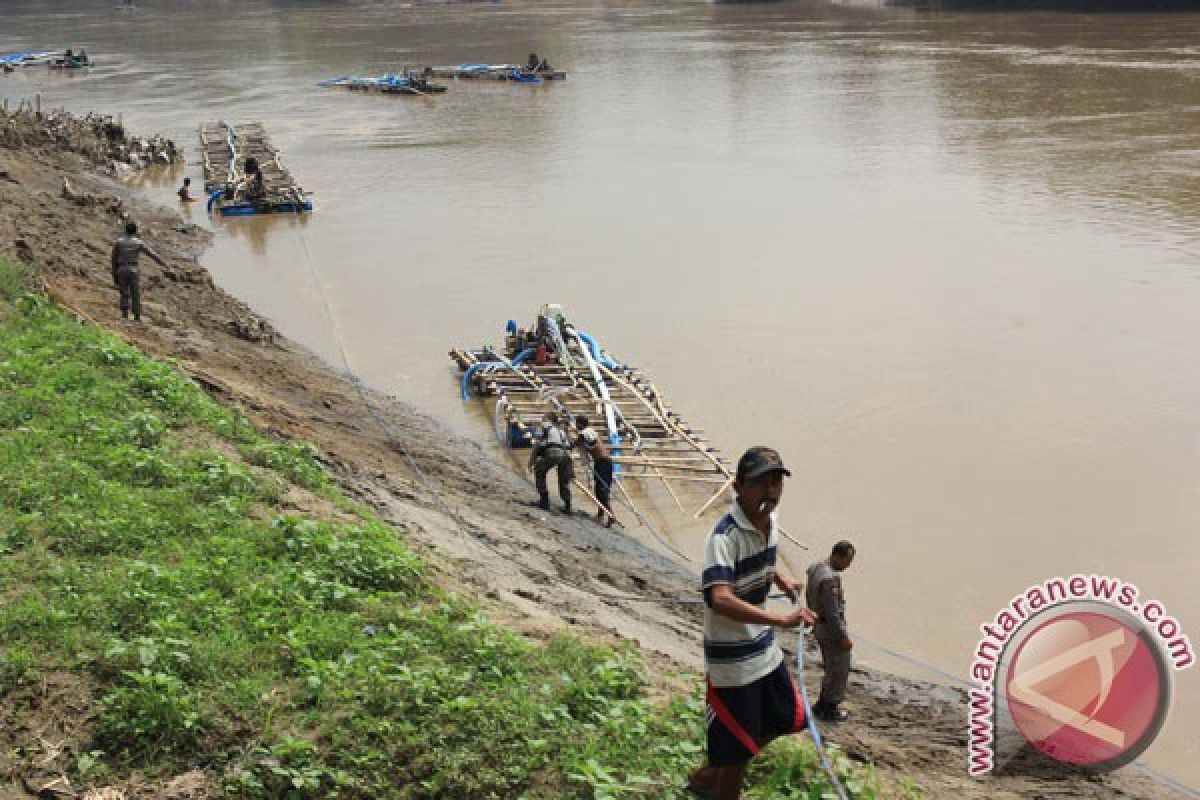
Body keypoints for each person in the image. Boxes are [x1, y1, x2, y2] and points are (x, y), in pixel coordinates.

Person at [688, 446, 816, 800]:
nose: (770, 491)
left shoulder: (770, 524)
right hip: (733, 659)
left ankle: (712, 771)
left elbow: (761, 559)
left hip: (762, 648)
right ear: (739, 485)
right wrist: (780, 619)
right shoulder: (723, 538)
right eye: (761, 483)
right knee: (739, 753)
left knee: (789, 716)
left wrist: (780, 580)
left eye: (776, 482)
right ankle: (718, 778)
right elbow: (721, 598)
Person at [805, 540, 856, 722]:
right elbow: (832, 612)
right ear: (837, 556)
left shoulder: (815, 567)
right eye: (847, 561)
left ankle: (821, 705)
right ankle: (830, 709)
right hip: (829, 629)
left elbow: (810, 595)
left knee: (830, 667)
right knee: (839, 669)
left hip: (819, 624)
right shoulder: (829, 579)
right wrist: (842, 637)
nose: (848, 566)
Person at [110, 221, 165, 322]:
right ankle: (136, 316)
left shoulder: (119, 242)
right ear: (135, 231)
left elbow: (113, 259)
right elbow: (152, 254)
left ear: (125, 230)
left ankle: (125, 314)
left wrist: (114, 273)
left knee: (124, 292)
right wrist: (163, 263)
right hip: (133, 269)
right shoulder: (138, 242)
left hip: (121, 269)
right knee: (135, 293)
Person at [574, 415, 617, 527]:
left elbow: (576, 443)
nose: (575, 426)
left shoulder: (584, 433)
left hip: (602, 462)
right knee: (601, 489)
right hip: (606, 461)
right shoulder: (591, 431)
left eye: (576, 424)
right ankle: (600, 514)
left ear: (580, 424)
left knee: (601, 490)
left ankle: (611, 515)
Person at [528, 412, 573, 512]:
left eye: (544, 417)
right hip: (566, 455)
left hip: (553, 452)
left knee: (539, 471)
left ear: (548, 419)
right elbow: (570, 445)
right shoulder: (562, 430)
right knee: (564, 480)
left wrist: (531, 462)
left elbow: (537, 444)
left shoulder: (545, 425)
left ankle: (544, 501)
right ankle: (568, 506)